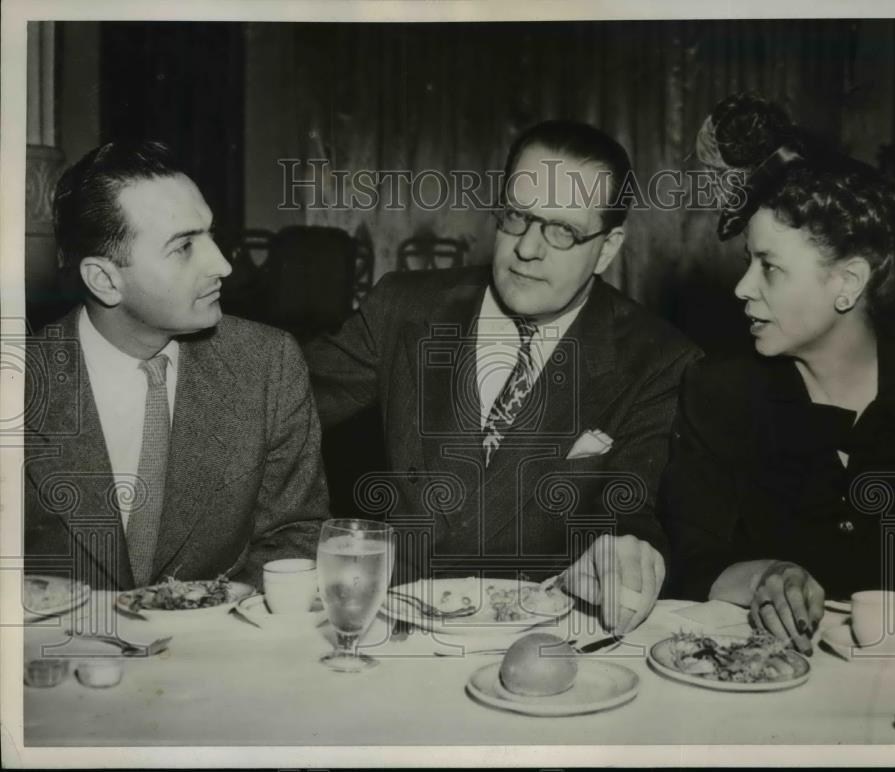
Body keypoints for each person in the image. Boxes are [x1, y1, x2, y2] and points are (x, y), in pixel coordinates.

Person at [306, 120, 700, 634]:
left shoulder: (658, 358)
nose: (528, 249)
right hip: (392, 633)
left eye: (562, 230)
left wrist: (629, 555)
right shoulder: (403, 308)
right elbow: (278, 400)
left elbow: (632, 513)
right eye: (518, 216)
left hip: (537, 644)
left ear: (606, 248)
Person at [659, 94, 895, 653]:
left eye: (769, 267)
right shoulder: (720, 393)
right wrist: (766, 573)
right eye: (748, 262)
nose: (742, 288)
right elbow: (688, 561)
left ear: (847, 282)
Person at [24, 141, 330, 591]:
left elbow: (293, 536)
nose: (223, 264)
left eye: (209, 235)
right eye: (184, 246)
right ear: (105, 280)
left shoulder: (267, 365)